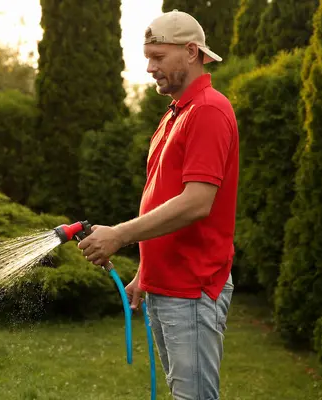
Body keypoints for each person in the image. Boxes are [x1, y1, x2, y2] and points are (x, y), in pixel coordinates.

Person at [77, 9, 238, 400]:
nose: (149, 67)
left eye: (158, 57)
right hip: (168, 285)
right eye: (147, 56)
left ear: (191, 52)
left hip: (192, 287)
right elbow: (164, 199)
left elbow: (197, 202)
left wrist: (119, 234)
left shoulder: (209, 111)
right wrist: (147, 273)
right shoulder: (175, 114)